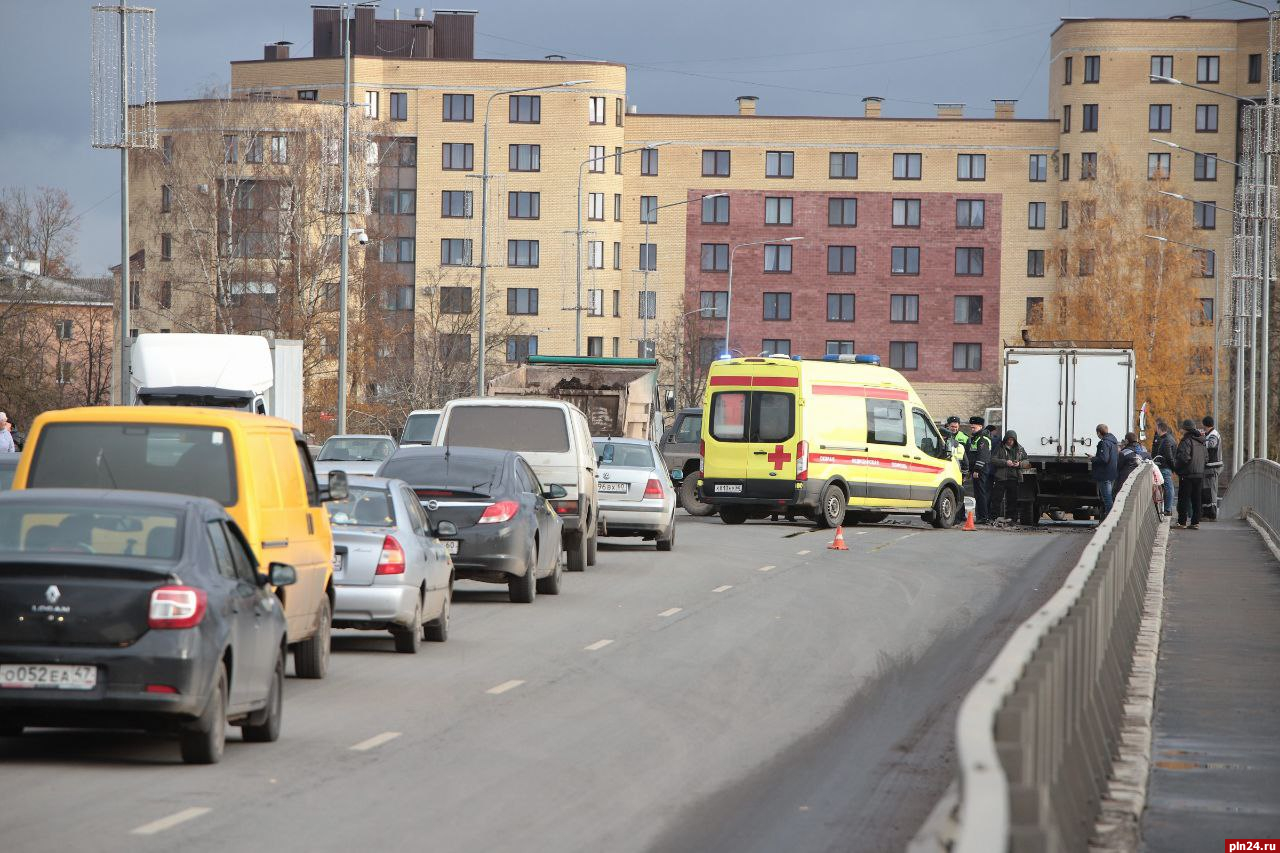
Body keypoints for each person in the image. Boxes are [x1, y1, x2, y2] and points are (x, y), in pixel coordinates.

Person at [991, 430, 1029, 522]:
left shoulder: (1020, 449)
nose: (1010, 441)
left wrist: (1019, 464)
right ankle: (994, 517)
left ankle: (1011, 518)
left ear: (1015, 440)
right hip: (1001, 478)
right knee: (996, 499)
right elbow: (993, 460)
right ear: (1006, 439)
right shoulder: (999, 447)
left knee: (1012, 499)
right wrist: (1005, 462)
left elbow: (1027, 463)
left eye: (1012, 439)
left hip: (1014, 477)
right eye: (1009, 439)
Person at [1174, 418, 1207, 529]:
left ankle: (1182, 522)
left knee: (1184, 498)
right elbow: (1206, 458)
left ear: (1186, 429)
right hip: (1199, 474)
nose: (1181, 431)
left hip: (1187, 474)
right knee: (1197, 498)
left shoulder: (1186, 441)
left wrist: (1177, 469)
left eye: (1182, 429)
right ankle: (1195, 522)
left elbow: (1183, 458)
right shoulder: (1201, 441)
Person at [967, 417, 993, 523]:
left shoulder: (982, 439)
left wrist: (976, 470)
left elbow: (982, 456)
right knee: (978, 493)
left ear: (981, 426)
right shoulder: (976, 438)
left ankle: (983, 517)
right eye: (971, 427)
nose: (972, 429)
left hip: (981, 469)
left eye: (974, 427)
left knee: (981, 493)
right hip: (976, 469)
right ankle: (980, 516)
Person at [1091, 424, 1119, 518]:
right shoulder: (1113, 442)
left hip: (1104, 474)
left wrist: (1093, 459)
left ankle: (1109, 519)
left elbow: (1104, 459)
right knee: (1109, 498)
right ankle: (1108, 519)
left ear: (1099, 432)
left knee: (1107, 499)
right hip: (1111, 473)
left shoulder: (1104, 443)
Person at [1150, 420, 1177, 517]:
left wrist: (1173, 468)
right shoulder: (1170, 438)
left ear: (1160, 429)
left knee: (1168, 487)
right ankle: (1167, 508)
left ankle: (1168, 509)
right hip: (1166, 467)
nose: (1156, 430)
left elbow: (1169, 457)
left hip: (1165, 467)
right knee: (1167, 487)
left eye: (1157, 429)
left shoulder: (1166, 440)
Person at [1201, 415, 1222, 520]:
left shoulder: (1213, 434)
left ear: (1205, 424)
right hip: (1210, 466)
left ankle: (1212, 513)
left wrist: (1202, 441)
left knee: (1211, 490)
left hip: (1212, 466)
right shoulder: (1210, 434)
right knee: (1207, 489)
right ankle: (1207, 512)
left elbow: (1212, 445)